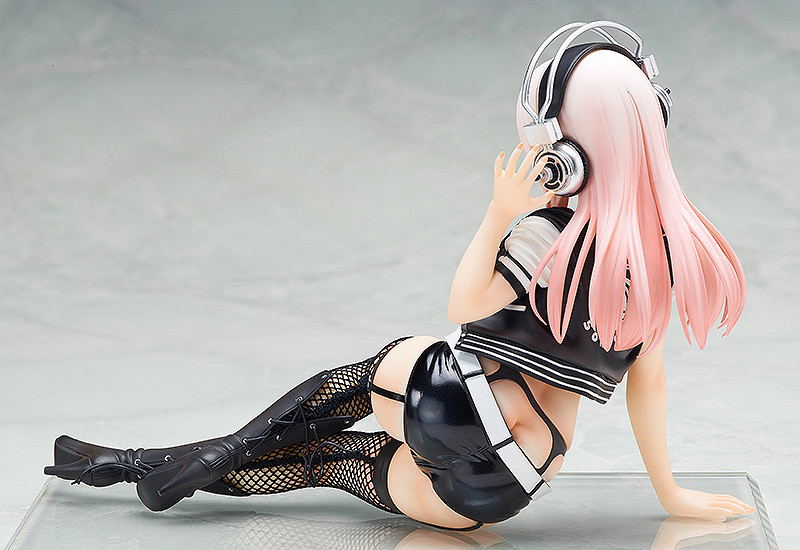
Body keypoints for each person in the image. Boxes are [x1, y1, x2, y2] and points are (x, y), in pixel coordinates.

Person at [44, 23, 755, 531]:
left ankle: (196, 455)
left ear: (561, 147)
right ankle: (132, 465)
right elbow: (648, 385)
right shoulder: (660, 259)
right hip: (513, 480)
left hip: (459, 400)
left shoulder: (550, 232)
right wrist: (671, 495)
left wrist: (499, 213)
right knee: (322, 461)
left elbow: (465, 302)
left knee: (359, 376)